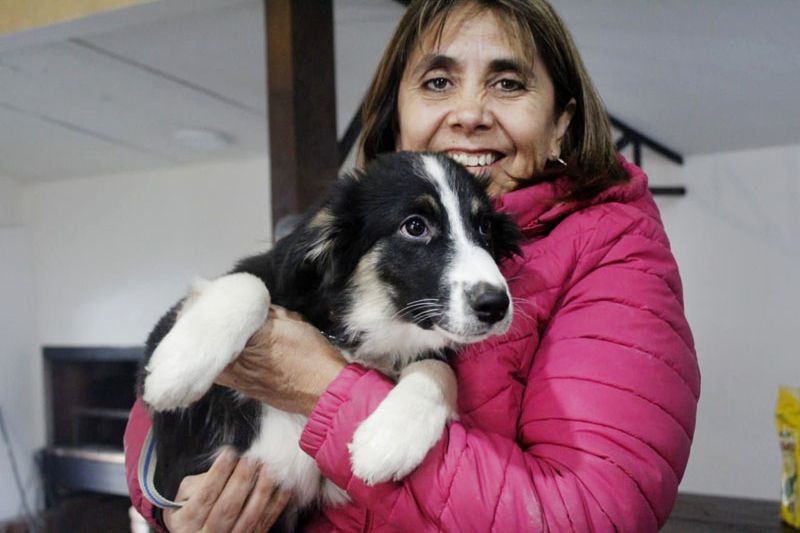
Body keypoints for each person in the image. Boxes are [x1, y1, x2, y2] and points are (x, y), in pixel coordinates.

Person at [124, 0, 700, 530]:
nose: (470, 112)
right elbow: (160, 407)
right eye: (438, 81)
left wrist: (325, 389)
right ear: (398, 115)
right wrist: (167, 506)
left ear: (560, 123)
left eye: (507, 82)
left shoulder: (614, 256)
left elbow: (592, 515)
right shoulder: (356, 236)